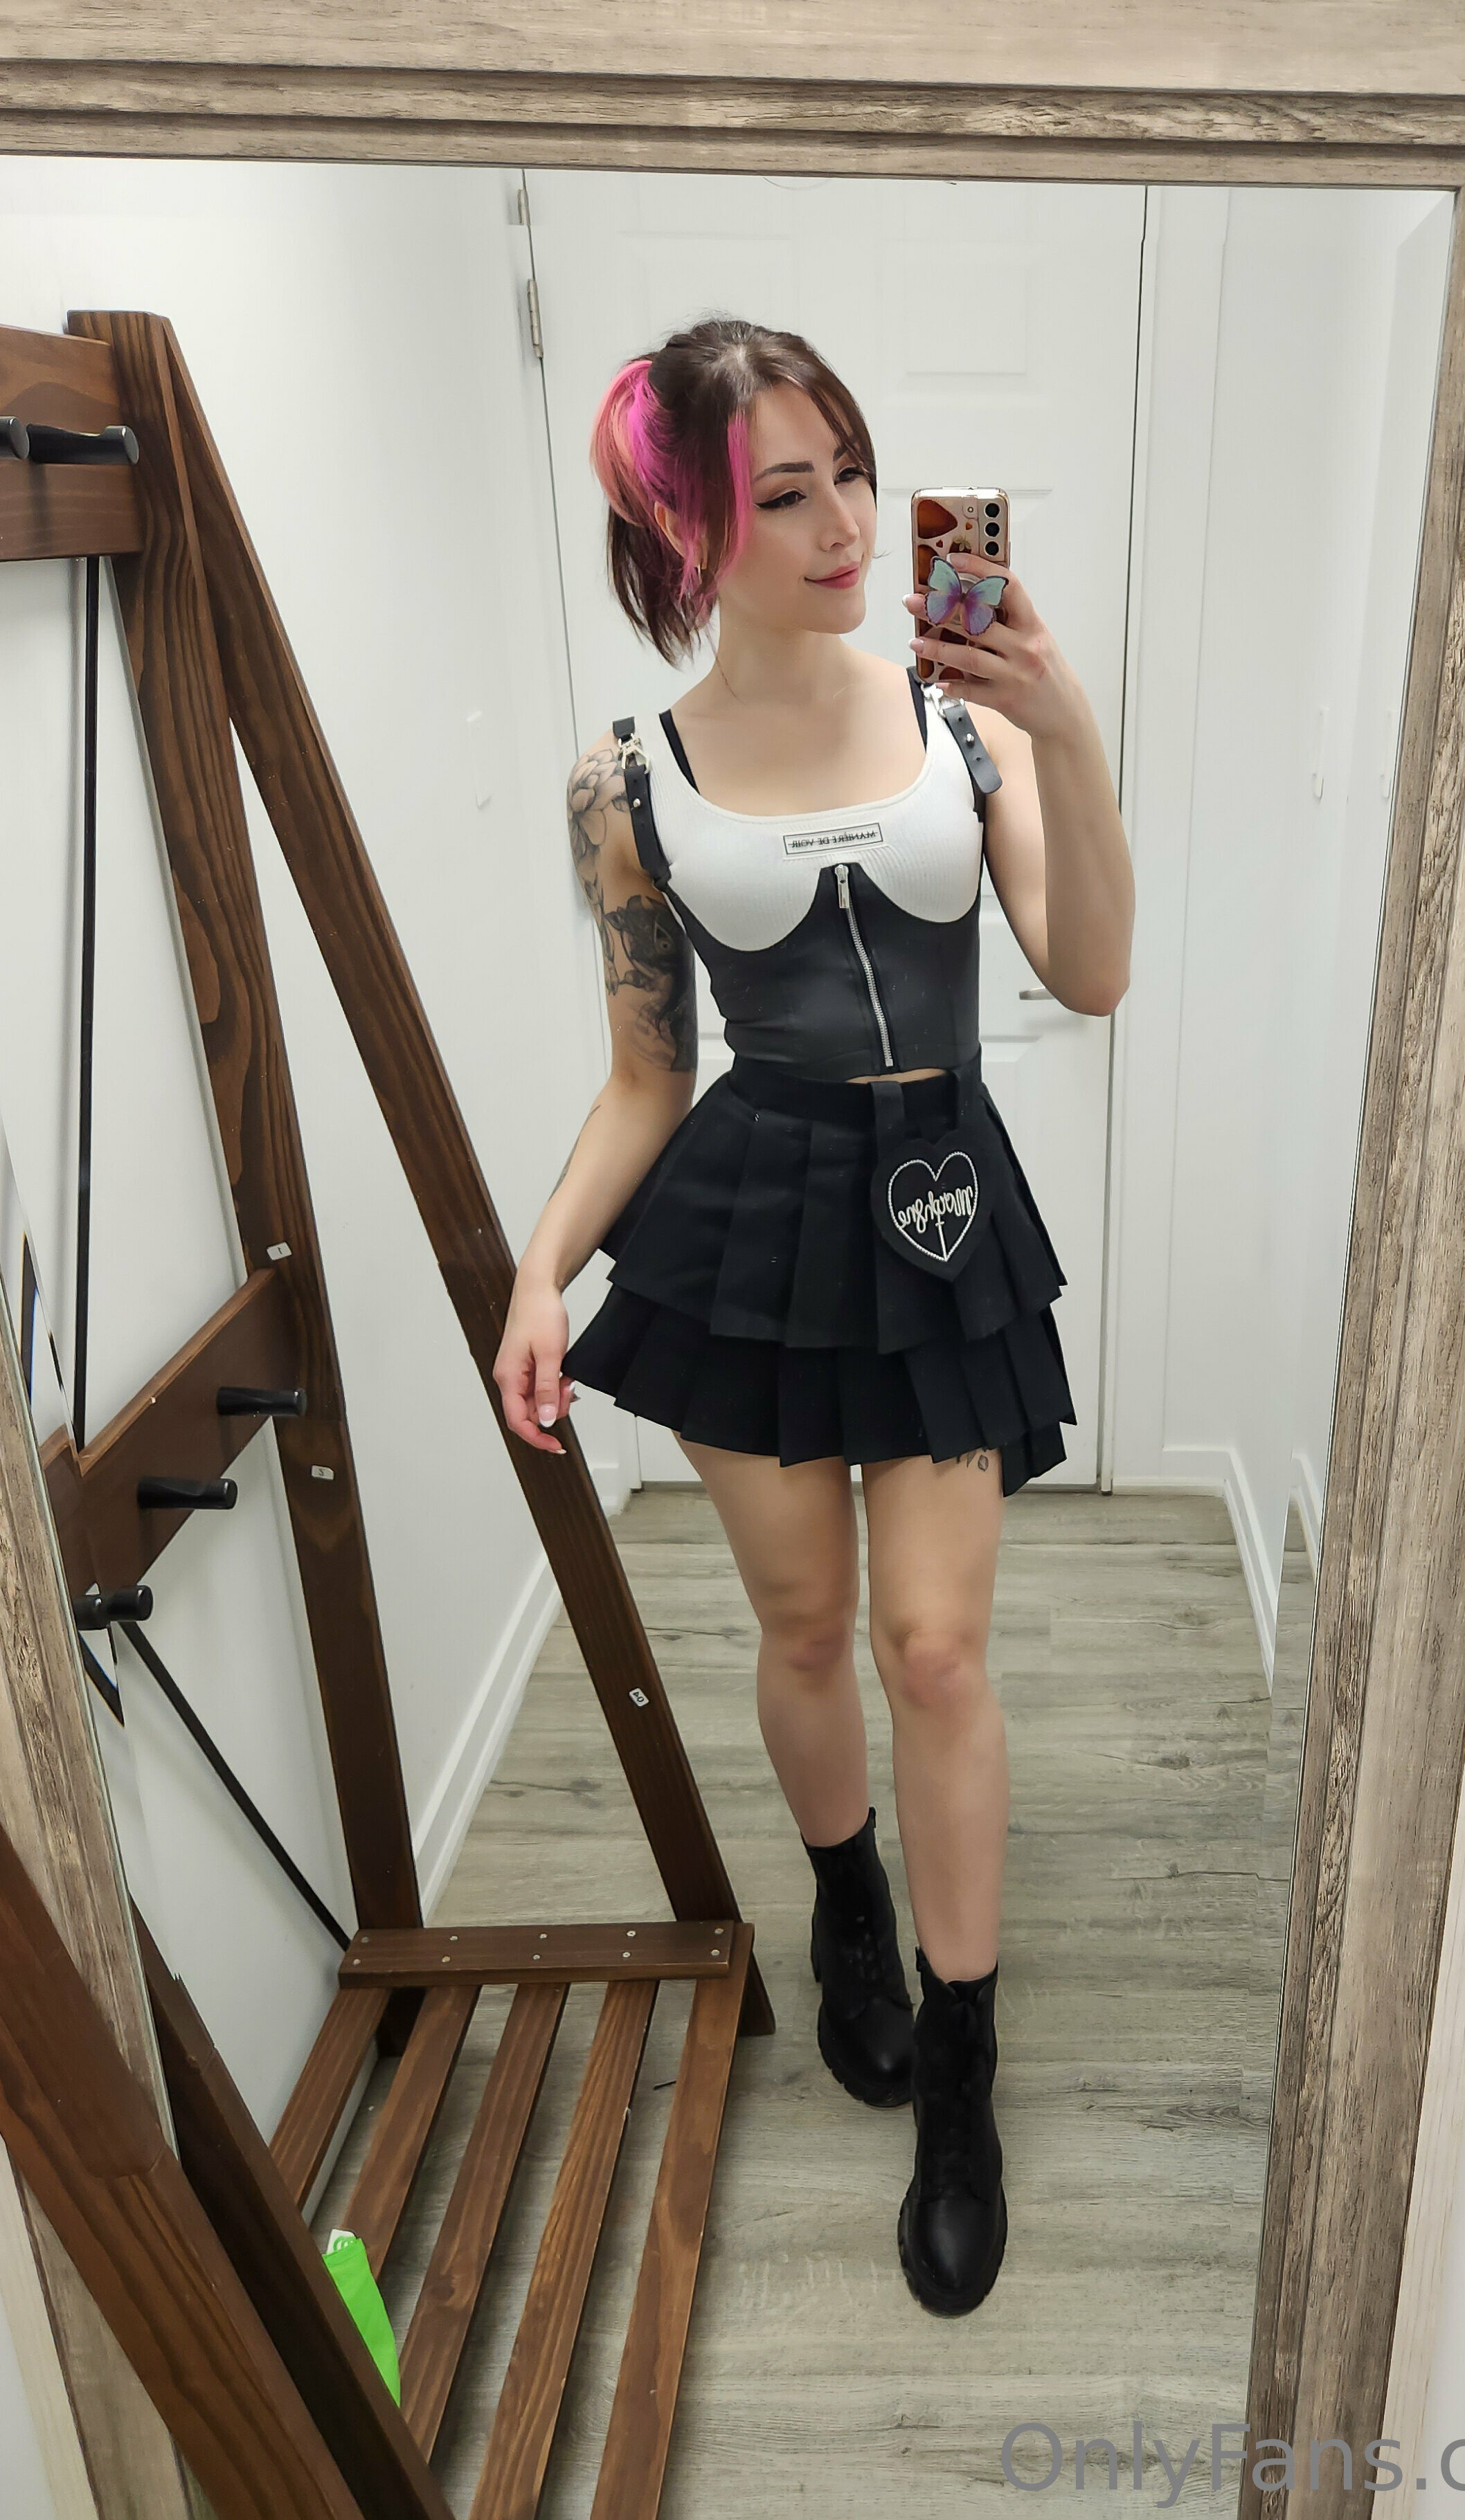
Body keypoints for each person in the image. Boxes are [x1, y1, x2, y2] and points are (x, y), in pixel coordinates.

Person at [493, 318, 1133, 2317]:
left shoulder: (966, 719)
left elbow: (1091, 971)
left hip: (941, 1202)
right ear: (687, 530)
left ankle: (962, 2062)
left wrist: (1068, 728)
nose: (849, 523)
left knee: (934, 1647)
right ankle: (846, 1899)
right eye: (787, 493)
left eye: (852, 471)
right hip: (748, 1219)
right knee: (799, 1628)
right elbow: (644, 1076)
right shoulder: (625, 780)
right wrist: (536, 1269)